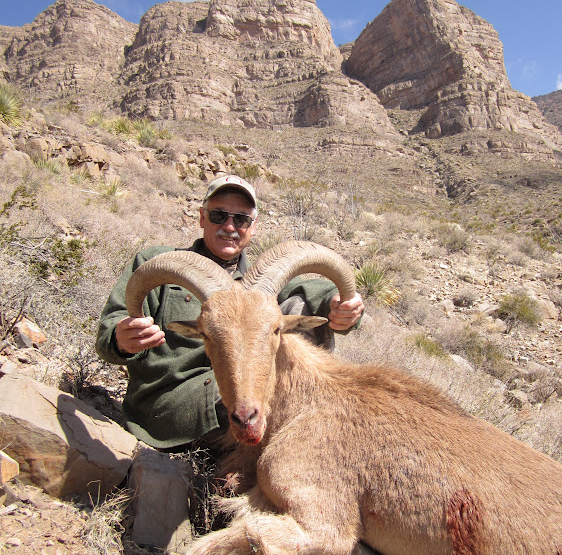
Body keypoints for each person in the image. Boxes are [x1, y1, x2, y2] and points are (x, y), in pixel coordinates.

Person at [96, 175, 364, 451]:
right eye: (218, 215)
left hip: (246, 390)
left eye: (241, 219)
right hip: (175, 399)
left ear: (253, 226)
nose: (229, 226)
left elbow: (315, 292)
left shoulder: (257, 283)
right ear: (202, 217)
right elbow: (111, 330)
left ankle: (310, 432)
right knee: (261, 394)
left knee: (297, 309)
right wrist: (121, 339)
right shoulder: (157, 263)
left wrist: (341, 306)